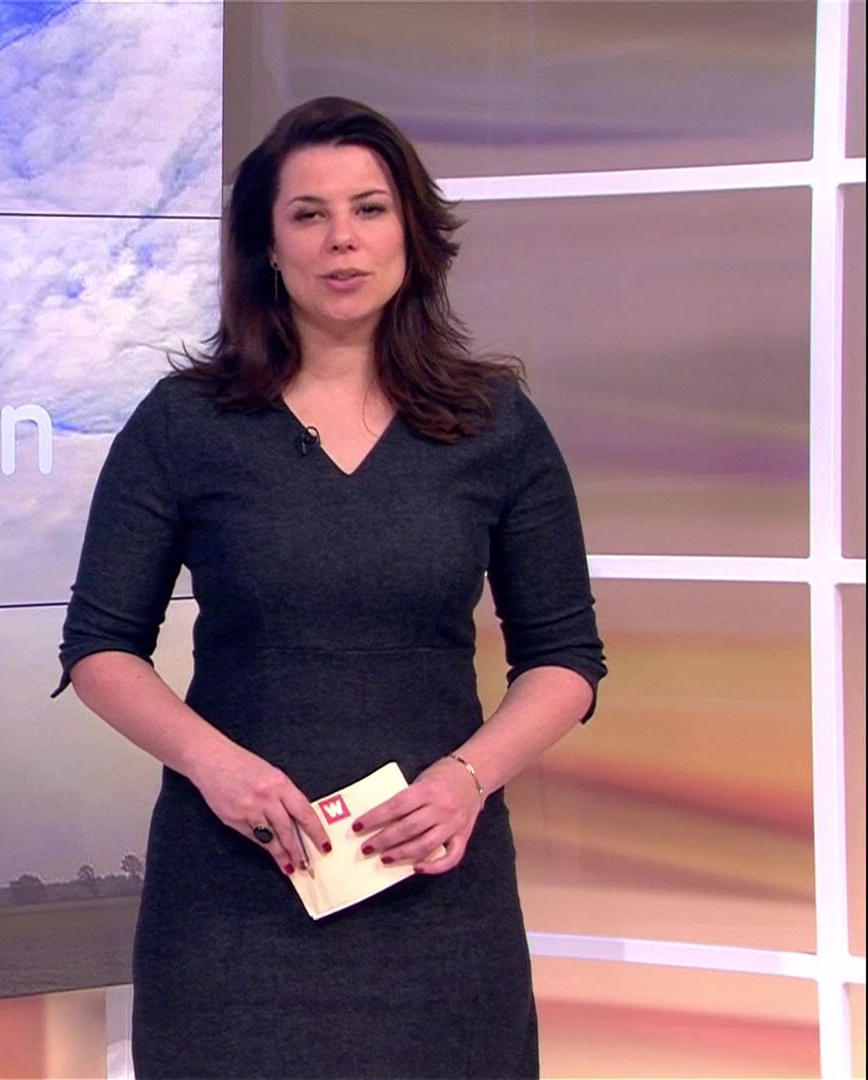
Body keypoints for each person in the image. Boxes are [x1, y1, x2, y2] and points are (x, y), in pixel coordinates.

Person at [52, 96, 607, 1078]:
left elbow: (565, 660)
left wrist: (467, 780)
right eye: (308, 214)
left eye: (369, 209)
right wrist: (215, 767)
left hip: (439, 898)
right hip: (233, 899)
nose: (341, 239)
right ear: (267, 246)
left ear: (411, 234)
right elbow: (99, 649)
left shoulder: (496, 424)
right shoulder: (185, 425)